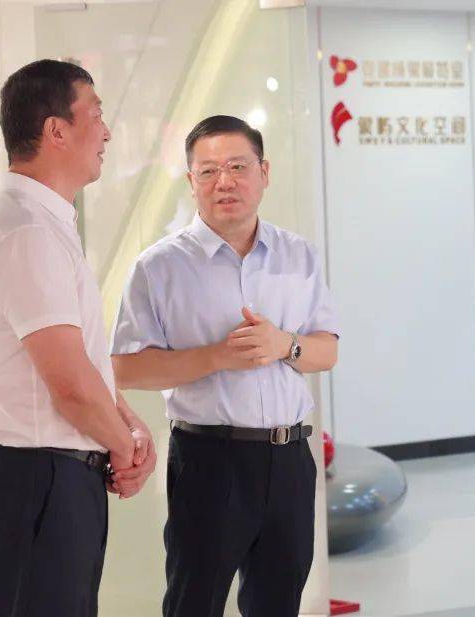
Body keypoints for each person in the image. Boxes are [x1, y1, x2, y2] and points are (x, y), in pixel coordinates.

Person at [111, 115, 339, 617]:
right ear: (191, 181)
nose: (225, 182)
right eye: (209, 171)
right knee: (194, 601)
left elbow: (327, 350)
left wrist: (284, 345)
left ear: (264, 172)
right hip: (209, 459)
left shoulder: (298, 255)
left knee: (279, 602)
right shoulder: (159, 266)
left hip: (289, 457)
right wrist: (217, 356)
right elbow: (127, 368)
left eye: (238, 167)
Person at [0, 59, 156, 617]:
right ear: (56, 131)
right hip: (38, 481)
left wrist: (127, 424)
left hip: (50, 478)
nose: (107, 132)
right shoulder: (25, 230)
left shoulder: (42, 223)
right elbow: (68, 384)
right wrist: (125, 448)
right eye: (96, 114)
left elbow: (81, 361)